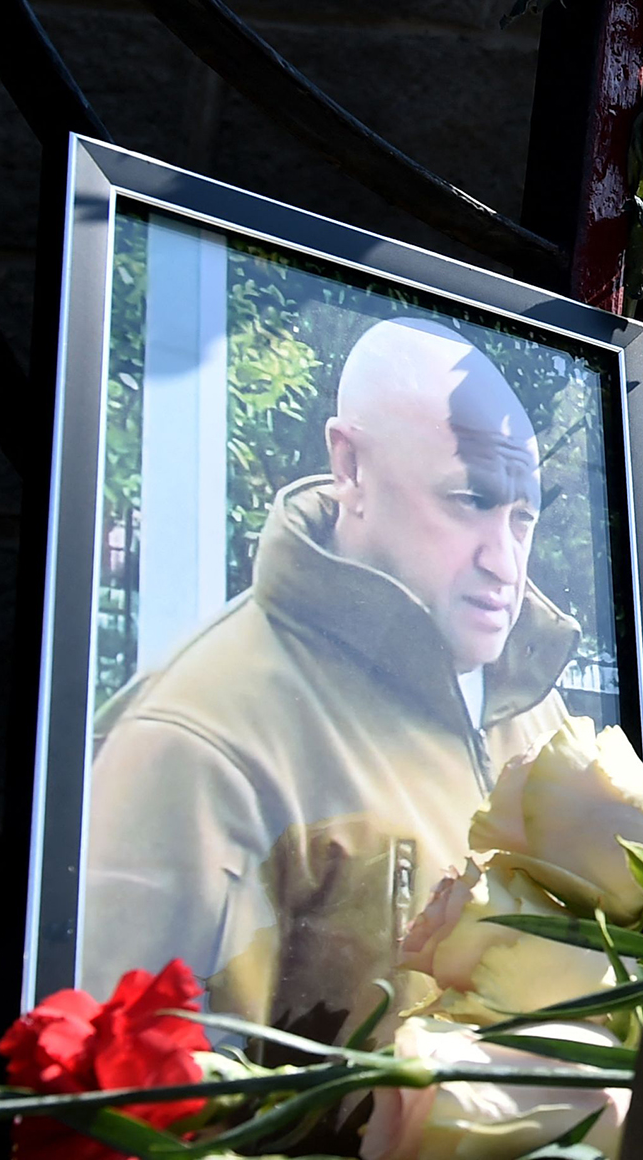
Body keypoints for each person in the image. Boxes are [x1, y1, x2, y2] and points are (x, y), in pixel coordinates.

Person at [83, 317, 578, 1041]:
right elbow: (142, 1093)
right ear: (350, 467)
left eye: (522, 515)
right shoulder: (198, 744)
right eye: (469, 500)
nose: (505, 562)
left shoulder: (532, 701)